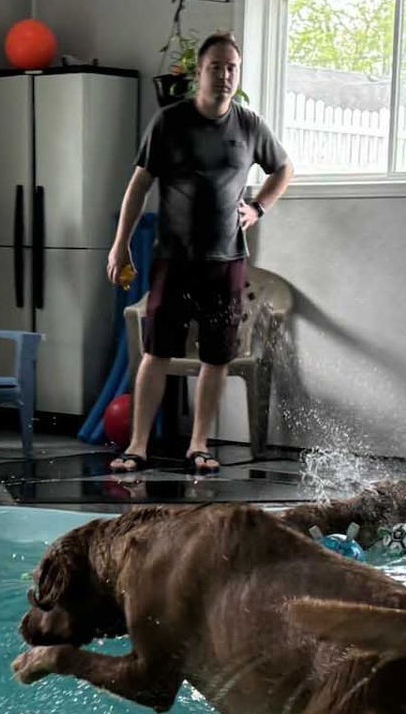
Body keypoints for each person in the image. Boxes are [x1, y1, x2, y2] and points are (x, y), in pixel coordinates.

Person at [105, 33, 294, 476]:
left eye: (232, 68)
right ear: (200, 72)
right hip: (175, 259)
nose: (225, 75)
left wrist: (259, 206)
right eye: (216, 67)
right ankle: (137, 446)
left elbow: (283, 168)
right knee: (157, 353)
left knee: (217, 357)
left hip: (226, 261)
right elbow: (139, 185)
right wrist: (120, 243)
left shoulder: (249, 125)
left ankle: (199, 446)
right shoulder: (170, 122)